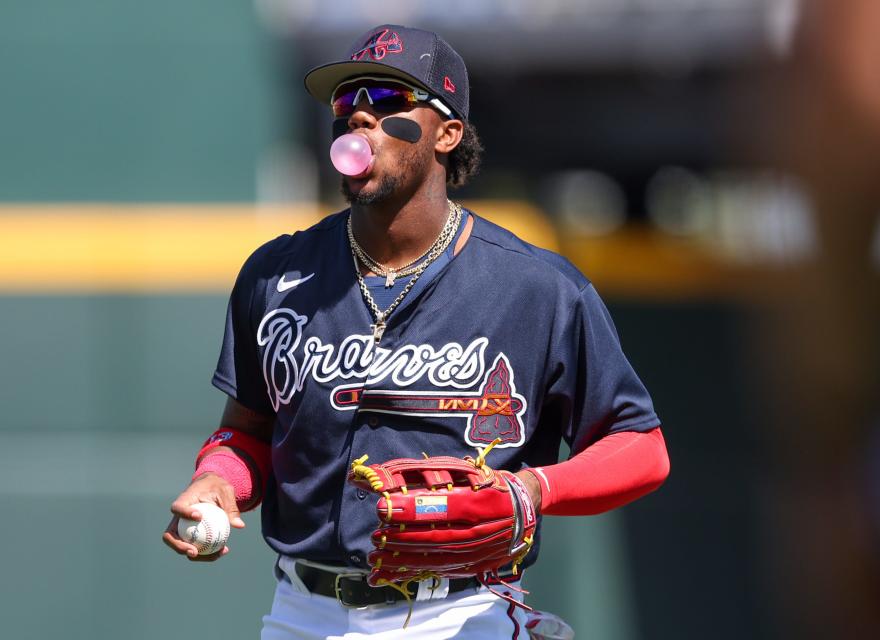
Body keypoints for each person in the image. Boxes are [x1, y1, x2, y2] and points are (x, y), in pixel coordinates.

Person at [162, 24, 670, 639]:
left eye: (387, 105)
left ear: (447, 133)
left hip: (462, 611)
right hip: (305, 611)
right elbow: (246, 435)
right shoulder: (277, 273)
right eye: (347, 107)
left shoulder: (537, 287)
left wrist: (532, 489)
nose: (360, 121)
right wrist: (219, 480)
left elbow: (642, 447)